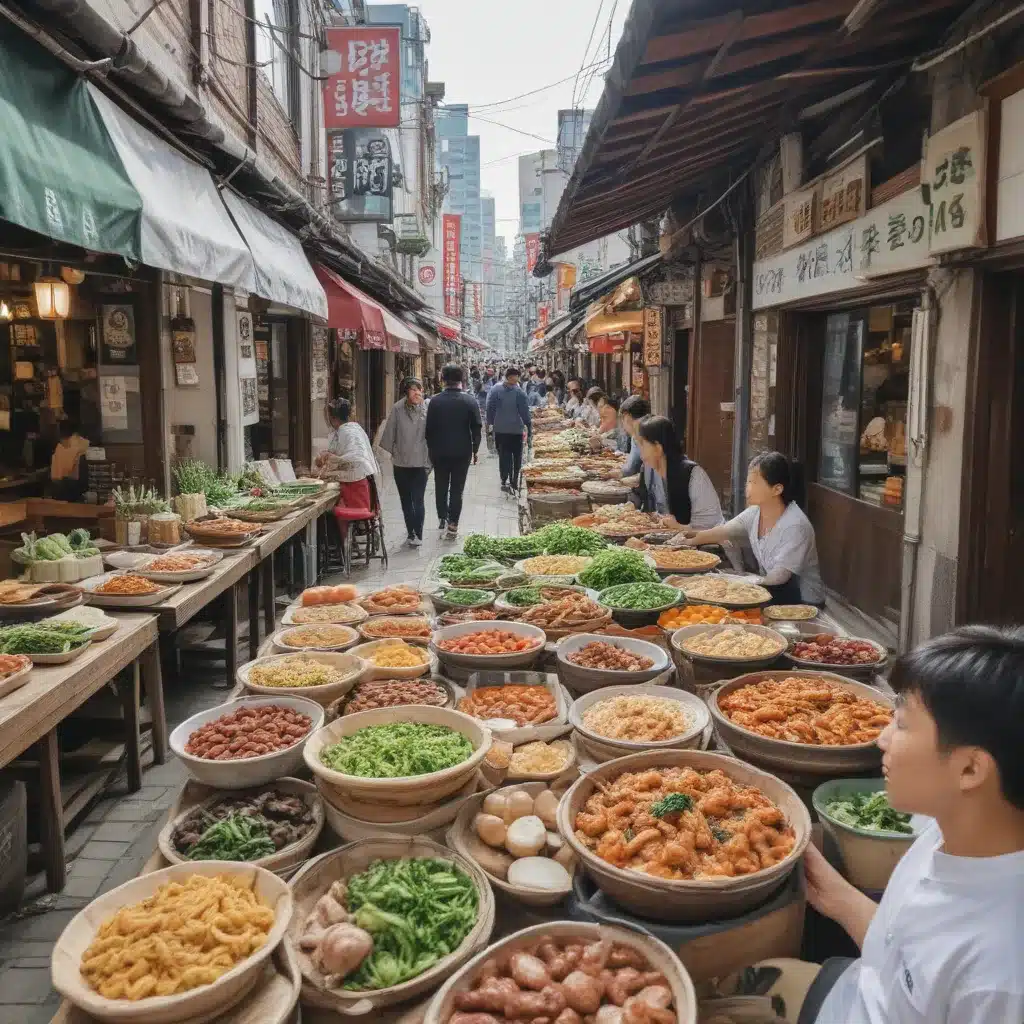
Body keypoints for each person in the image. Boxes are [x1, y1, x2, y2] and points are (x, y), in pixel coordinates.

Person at [796, 626, 1024, 1024]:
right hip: (854, 993)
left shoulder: (1000, 977)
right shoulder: (945, 829)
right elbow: (903, 962)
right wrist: (833, 895)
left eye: (901, 723)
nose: (881, 739)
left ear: (970, 768)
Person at [685, 451, 825, 605]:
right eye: (748, 482)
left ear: (777, 489)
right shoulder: (754, 512)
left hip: (803, 602)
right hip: (770, 588)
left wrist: (737, 581)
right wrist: (687, 540)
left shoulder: (796, 525)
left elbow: (780, 576)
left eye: (754, 483)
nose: (748, 489)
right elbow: (722, 531)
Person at [635, 416, 724, 531]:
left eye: (642, 444)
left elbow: (711, 528)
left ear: (658, 448)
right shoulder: (648, 470)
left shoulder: (692, 475)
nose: (640, 451)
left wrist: (679, 527)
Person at [425, 363, 481, 540]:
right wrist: (475, 449)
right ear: (462, 380)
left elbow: (428, 430)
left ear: (443, 380)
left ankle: (442, 517)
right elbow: (477, 428)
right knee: (457, 489)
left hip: (439, 452)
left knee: (441, 485)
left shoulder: (435, 401)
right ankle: (453, 524)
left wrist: (431, 449)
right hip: (462, 452)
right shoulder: (469, 401)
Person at [377, 377, 430, 547]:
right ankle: (410, 532)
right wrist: (398, 453)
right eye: (413, 389)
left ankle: (418, 534)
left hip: (421, 463)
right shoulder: (397, 409)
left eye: (419, 389)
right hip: (401, 465)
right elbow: (388, 437)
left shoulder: (427, 408)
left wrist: (430, 460)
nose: (417, 392)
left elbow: (434, 435)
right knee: (406, 500)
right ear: (406, 392)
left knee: (418, 499)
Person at [316, 398, 379, 511]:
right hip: (367, 479)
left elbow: (340, 459)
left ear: (333, 419)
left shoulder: (343, 431)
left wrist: (326, 461)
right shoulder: (356, 428)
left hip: (356, 483)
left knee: (338, 511)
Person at [487, 366, 532, 494]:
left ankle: (504, 479)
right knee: (516, 456)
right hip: (515, 430)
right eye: (515, 377)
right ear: (513, 377)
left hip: (500, 429)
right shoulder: (519, 392)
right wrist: (529, 426)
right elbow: (525, 413)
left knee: (504, 455)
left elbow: (490, 408)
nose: (516, 379)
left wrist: (490, 424)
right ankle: (513, 480)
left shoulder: (495, 389)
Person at [50, 419, 89, 501]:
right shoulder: (82, 445)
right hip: (74, 490)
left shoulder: (58, 449)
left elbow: (54, 478)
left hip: (64, 489)